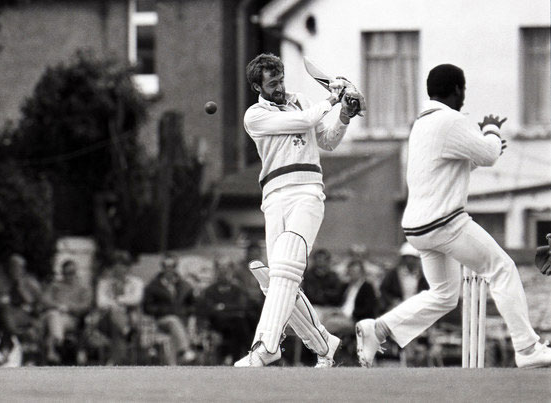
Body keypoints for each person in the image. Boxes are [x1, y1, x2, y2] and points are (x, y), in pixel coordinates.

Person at [356, 63, 551, 369]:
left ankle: (378, 329)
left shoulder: (421, 124)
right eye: (464, 90)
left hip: (418, 228)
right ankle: (527, 348)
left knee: (445, 295)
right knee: (502, 269)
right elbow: (487, 155)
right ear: (458, 89)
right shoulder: (450, 120)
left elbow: (455, 165)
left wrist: (488, 144)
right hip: (445, 222)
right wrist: (491, 130)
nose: (464, 97)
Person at [234, 53, 365, 368]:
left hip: (307, 191)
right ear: (257, 85)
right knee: (278, 280)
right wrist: (332, 98)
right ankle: (324, 344)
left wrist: (344, 114)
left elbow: (328, 141)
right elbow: (304, 121)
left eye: (280, 80)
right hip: (274, 197)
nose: (279, 88)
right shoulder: (255, 115)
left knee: (285, 270)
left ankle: (267, 345)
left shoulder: (302, 101)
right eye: (272, 83)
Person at [143, 255, 196, 365]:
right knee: (172, 320)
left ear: (175, 267)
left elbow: (192, 305)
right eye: (166, 266)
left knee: (173, 334)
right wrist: (165, 310)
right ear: (162, 268)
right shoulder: (153, 287)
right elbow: (147, 307)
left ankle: (173, 368)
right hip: (161, 321)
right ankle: (184, 351)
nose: (169, 269)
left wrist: (185, 311)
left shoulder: (184, 286)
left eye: (172, 266)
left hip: (182, 320)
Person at [95, 250, 144, 365]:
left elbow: (136, 299)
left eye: (122, 266)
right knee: (114, 312)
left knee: (117, 331)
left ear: (127, 268)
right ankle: (126, 331)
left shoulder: (136, 283)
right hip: (105, 320)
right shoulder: (104, 283)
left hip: (129, 318)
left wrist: (117, 301)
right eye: (116, 266)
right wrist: (118, 305)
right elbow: (100, 302)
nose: (119, 269)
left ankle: (113, 362)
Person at [41, 260, 92, 364]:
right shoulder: (55, 285)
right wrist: (58, 306)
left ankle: (54, 348)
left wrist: (69, 308)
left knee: (54, 317)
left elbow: (86, 305)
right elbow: (45, 299)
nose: (69, 276)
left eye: (72, 272)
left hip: (72, 319)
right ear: (62, 273)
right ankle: (58, 342)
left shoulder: (83, 287)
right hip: (55, 315)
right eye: (66, 273)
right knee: (53, 315)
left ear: (75, 272)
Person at [379, 242, 428, 313]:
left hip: (416, 310)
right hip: (397, 309)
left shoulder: (422, 276)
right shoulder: (394, 274)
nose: (410, 261)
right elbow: (384, 289)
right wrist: (392, 301)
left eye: (413, 258)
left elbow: (427, 292)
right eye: (408, 258)